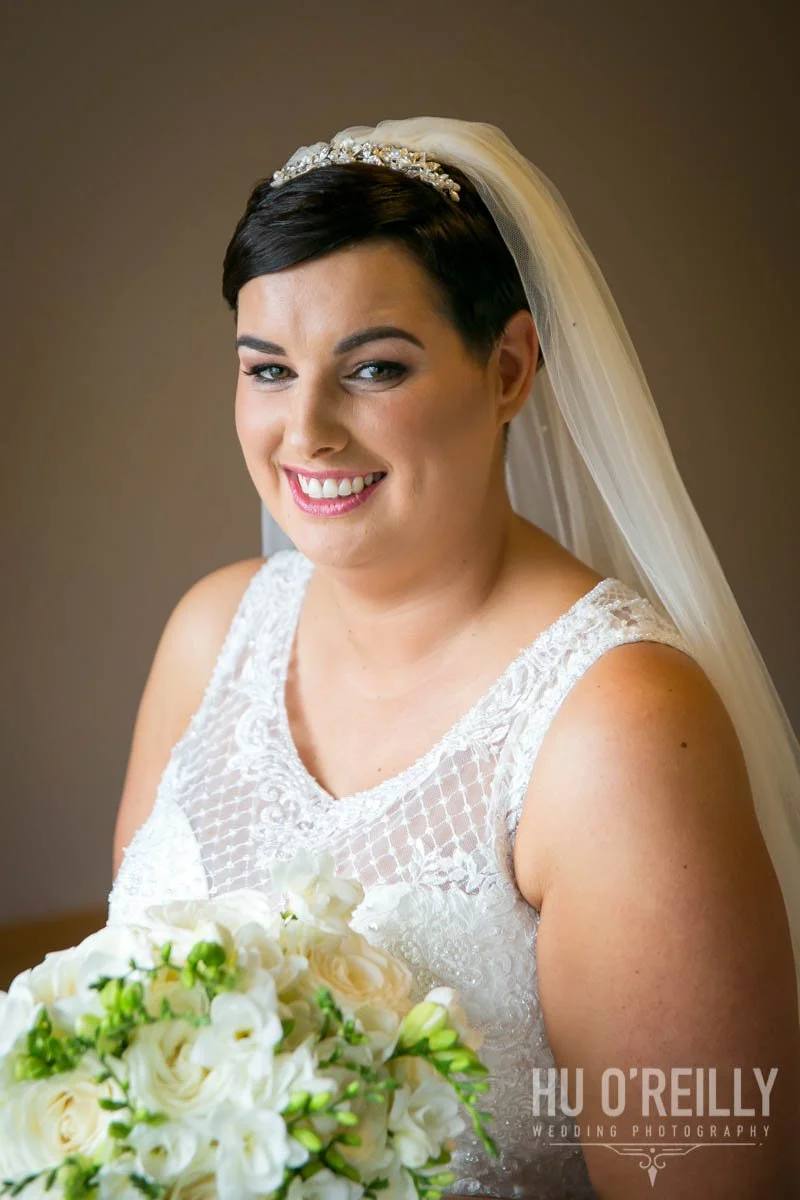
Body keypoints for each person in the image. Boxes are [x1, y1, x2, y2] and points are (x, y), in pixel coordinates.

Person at [109, 118, 800, 1198]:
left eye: (373, 368)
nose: (307, 430)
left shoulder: (615, 725)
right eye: (269, 370)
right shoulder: (211, 633)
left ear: (508, 367)